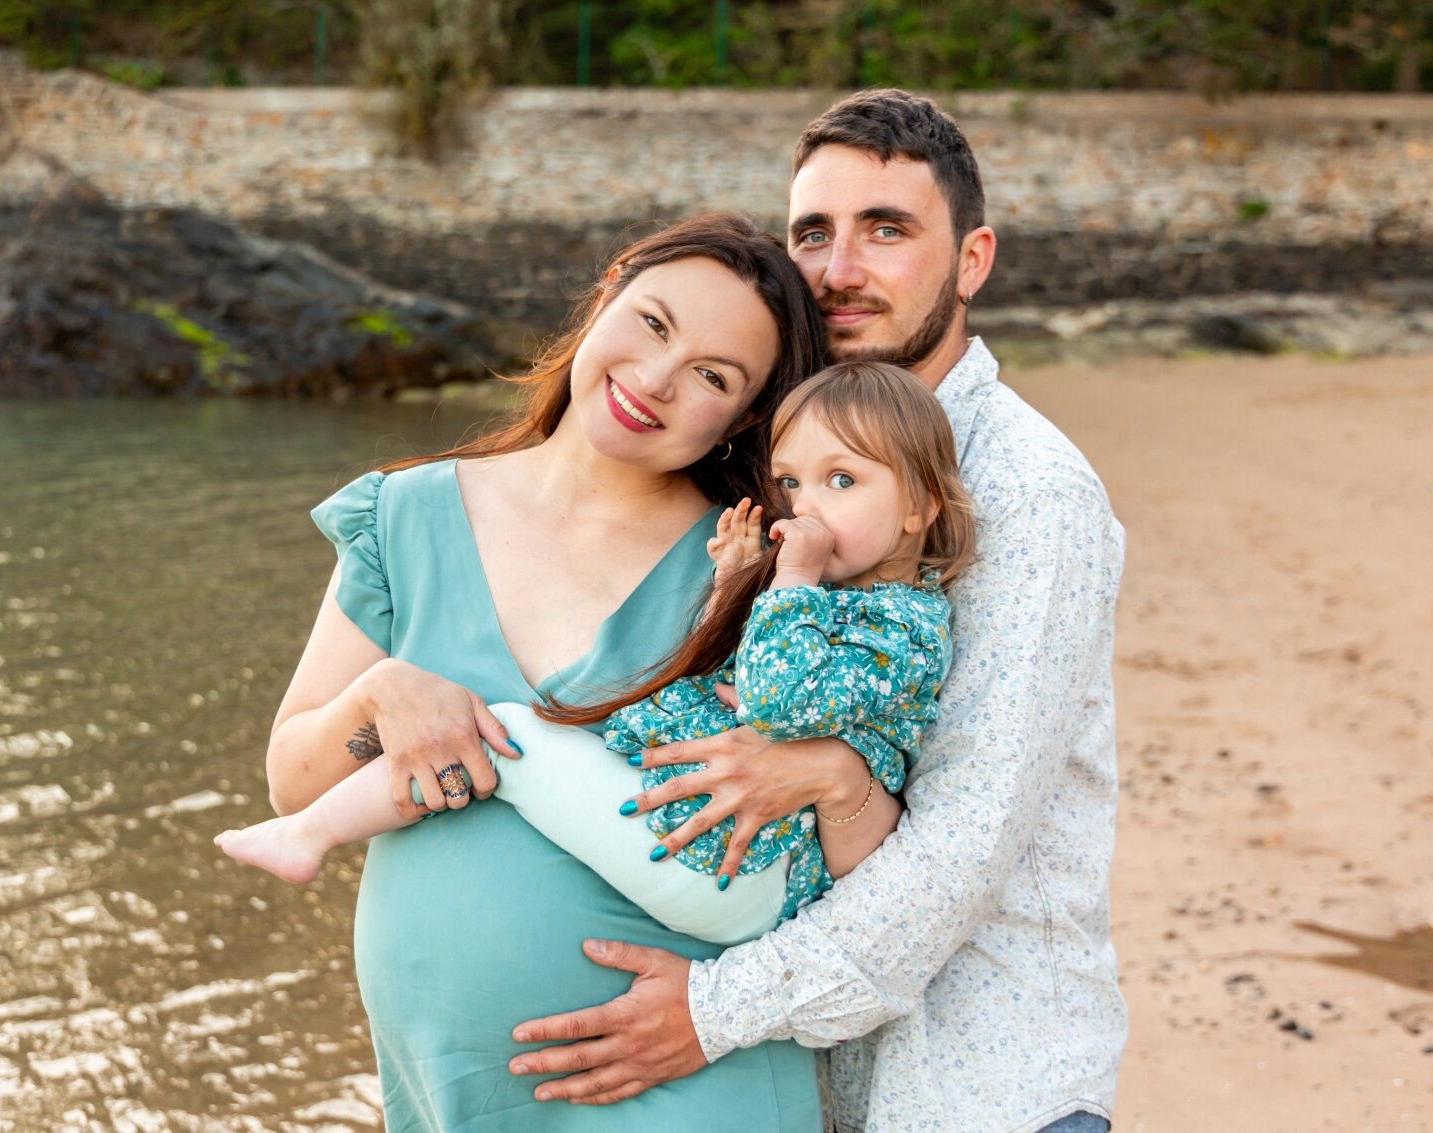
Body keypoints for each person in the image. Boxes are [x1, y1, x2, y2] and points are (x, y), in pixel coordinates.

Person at [504, 90, 1128, 1133]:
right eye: (812, 233)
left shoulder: (1027, 493)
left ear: (970, 260)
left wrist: (707, 1012)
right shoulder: (780, 455)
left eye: (885, 230)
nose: (838, 270)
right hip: (796, 1081)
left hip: (977, 1084)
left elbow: (964, 843)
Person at [256, 210, 851, 1131]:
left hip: (685, 1084)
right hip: (455, 1090)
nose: (654, 380)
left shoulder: (756, 568)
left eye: (712, 377)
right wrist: (380, 696)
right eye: (653, 324)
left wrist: (723, 1002)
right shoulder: (405, 516)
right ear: (609, 289)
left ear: (743, 419)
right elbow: (293, 779)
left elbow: (858, 831)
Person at [218, 361, 973, 949]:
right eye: (791, 481)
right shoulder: (836, 599)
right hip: (712, 840)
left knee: (502, 736)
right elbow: (733, 680)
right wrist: (736, 586)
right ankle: (312, 827)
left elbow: (776, 701)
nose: (805, 506)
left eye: (843, 480)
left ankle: (310, 834)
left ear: (919, 506)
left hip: (742, 869)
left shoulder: (904, 630)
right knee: (514, 736)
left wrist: (792, 577)